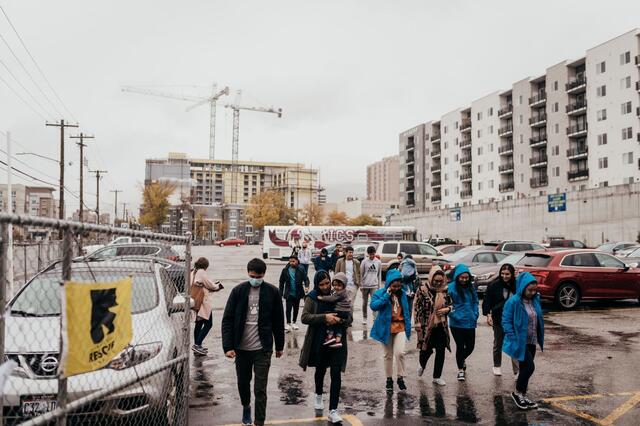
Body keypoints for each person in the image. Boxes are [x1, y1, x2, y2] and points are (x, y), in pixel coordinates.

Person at [221, 258, 285, 426]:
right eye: (252, 275)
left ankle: (259, 421)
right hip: (241, 349)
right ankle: (246, 406)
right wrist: (228, 346)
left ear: (264, 274)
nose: (255, 278)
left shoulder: (272, 292)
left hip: (262, 349)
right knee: (243, 382)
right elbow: (227, 319)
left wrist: (279, 346)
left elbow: (278, 321)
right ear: (248, 273)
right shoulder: (238, 291)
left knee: (260, 388)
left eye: (258, 276)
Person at [300, 270, 353, 424]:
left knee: (336, 373)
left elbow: (349, 317)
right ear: (316, 284)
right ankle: (318, 394)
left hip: (337, 342)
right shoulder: (312, 297)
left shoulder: (339, 294)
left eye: (327, 283)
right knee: (321, 370)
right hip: (319, 341)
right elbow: (305, 317)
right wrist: (324, 318)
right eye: (321, 284)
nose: (325, 286)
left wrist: (339, 320)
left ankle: (333, 410)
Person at [502, 272, 544, 410]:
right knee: (529, 367)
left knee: (525, 369)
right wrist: (513, 338)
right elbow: (506, 321)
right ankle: (517, 393)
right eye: (529, 290)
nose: (532, 292)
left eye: (534, 290)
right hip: (519, 342)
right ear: (522, 287)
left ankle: (523, 396)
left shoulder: (535, 300)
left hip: (531, 340)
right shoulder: (513, 302)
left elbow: (538, 318)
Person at [370, 269, 412, 393]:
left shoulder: (403, 294)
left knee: (400, 353)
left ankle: (400, 377)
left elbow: (407, 311)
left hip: (400, 327)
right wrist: (387, 295)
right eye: (394, 286)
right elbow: (374, 306)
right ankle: (389, 379)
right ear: (389, 284)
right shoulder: (380, 293)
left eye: (399, 286)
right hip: (386, 328)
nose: (397, 288)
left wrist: (409, 325)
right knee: (387, 355)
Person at [414, 265, 452, 385]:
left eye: (440, 281)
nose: (438, 283)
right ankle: (422, 364)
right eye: (436, 281)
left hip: (441, 324)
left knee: (441, 350)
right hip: (426, 325)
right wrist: (417, 322)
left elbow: (451, 304)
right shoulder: (422, 289)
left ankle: (437, 376)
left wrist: (447, 309)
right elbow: (416, 306)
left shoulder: (445, 290)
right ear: (431, 278)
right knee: (426, 350)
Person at [482, 263, 519, 377]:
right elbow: (487, 301)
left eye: (507, 274)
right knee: (498, 342)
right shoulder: (494, 285)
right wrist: (488, 315)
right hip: (499, 318)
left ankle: (517, 369)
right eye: (502, 273)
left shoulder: (517, 285)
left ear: (512, 274)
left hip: (514, 318)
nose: (504, 276)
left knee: (515, 343)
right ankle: (497, 365)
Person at [447, 264, 479, 382]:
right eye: (462, 277)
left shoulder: (471, 288)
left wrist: (476, 314)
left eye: (466, 277)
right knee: (460, 346)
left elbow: (475, 301)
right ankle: (461, 370)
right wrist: (456, 316)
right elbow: (447, 305)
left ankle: (461, 359)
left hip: (470, 321)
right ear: (457, 277)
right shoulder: (451, 288)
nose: (464, 280)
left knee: (470, 346)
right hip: (457, 323)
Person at [191, 257, 222, 355]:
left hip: (195, 300)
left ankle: (197, 346)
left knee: (199, 323)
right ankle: (197, 345)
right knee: (209, 324)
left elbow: (201, 284)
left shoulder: (193, 272)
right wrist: (218, 286)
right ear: (205, 266)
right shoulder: (201, 272)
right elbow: (210, 285)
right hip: (203, 302)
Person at [317, 272, 352, 348]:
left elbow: (332, 298)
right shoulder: (339, 292)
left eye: (339, 285)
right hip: (344, 311)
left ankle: (330, 336)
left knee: (331, 320)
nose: (336, 287)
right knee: (338, 325)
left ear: (344, 285)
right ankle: (338, 340)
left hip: (341, 311)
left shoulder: (341, 293)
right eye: (335, 285)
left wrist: (322, 298)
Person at [278, 255, 310, 331]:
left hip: (298, 292)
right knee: (288, 308)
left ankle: (294, 322)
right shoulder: (285, 270)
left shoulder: (301, 269)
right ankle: (288, 323)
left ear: (297, 261)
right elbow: (281, 282)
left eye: (293, 261)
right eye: (290, 261)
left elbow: (306, 279)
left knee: (296, 308)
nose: (292, 263)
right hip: (289, 293)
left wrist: (306, 286)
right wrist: (280, 293)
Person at [360, 246, 382, 324]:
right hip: (365, 286)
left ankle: (375, 317)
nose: (372, 256)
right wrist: (361, 285)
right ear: (368, 254)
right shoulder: (364, 262)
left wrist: (379, 286)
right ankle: (364, 317)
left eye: (373, 254)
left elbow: (379, 275)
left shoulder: (378, 262)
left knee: (374, 302)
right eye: (370, 254)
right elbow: (361, 274)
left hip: (374, 286)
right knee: (364, 303)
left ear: (375, 253)